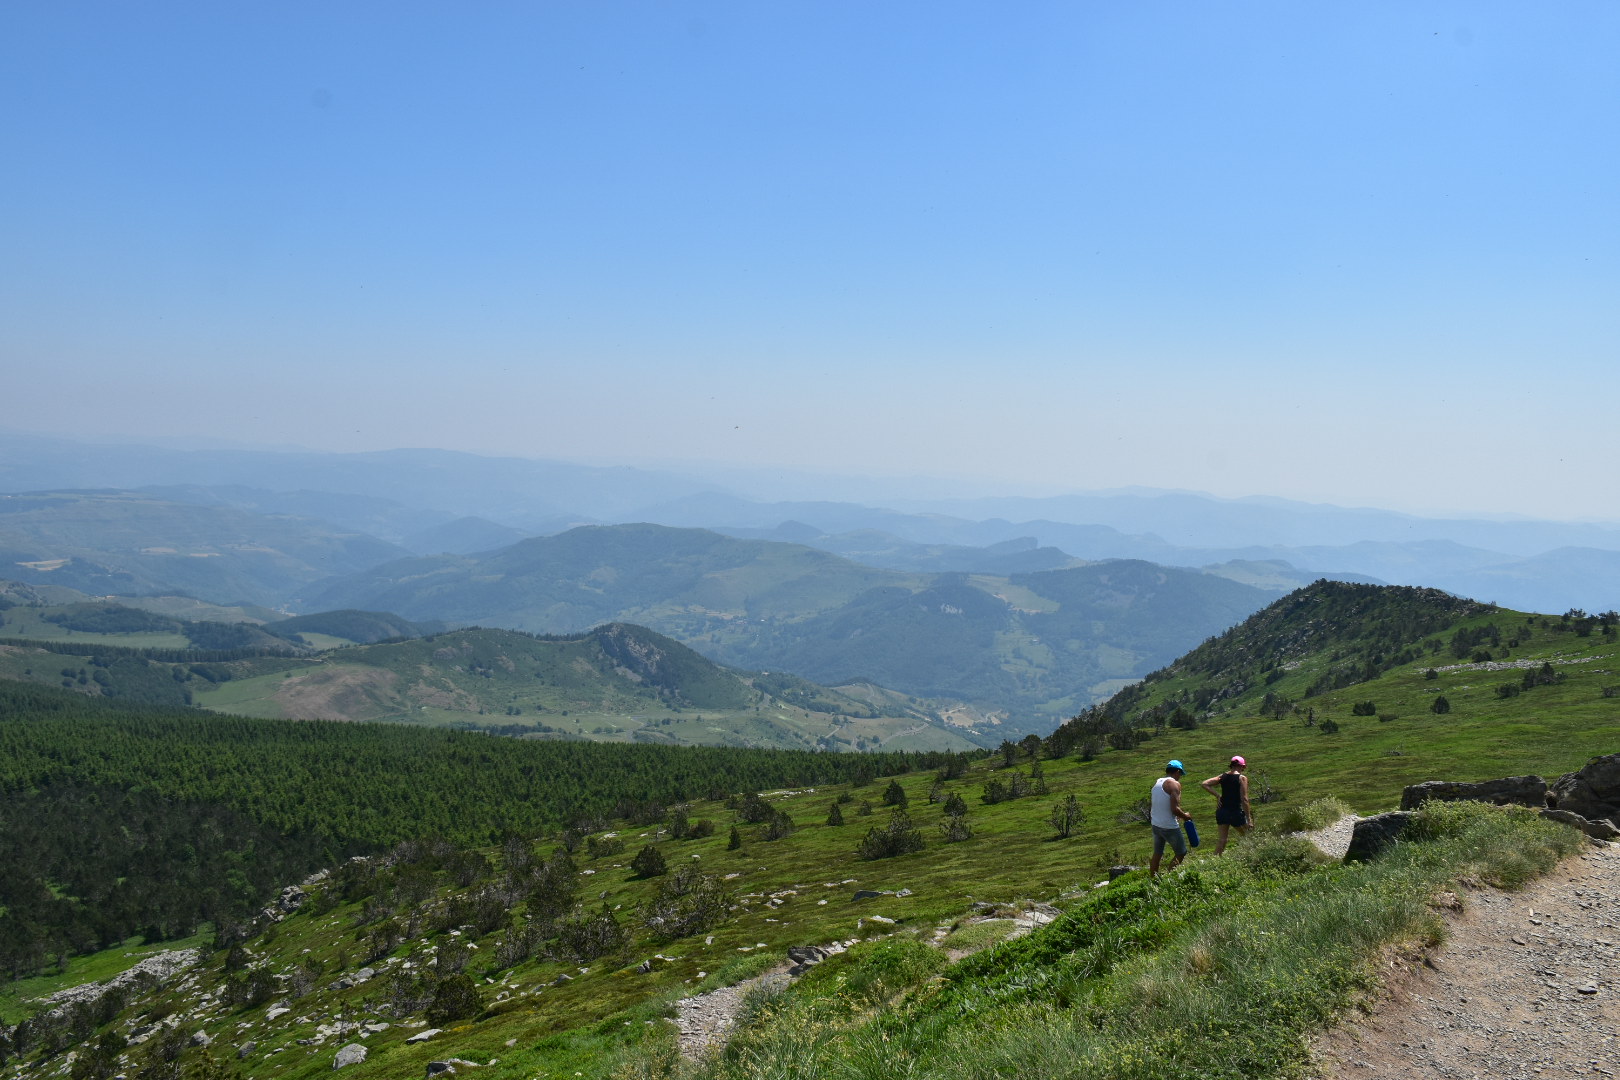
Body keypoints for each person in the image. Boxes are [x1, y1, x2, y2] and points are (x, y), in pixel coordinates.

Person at [1149, 760, 1194, 877]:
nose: (1180, 777)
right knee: (1181, 852)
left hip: (1155, 824)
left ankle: (1153, 879)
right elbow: (1174, 808)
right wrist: (1185, 816)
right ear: (1178, 771)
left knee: (1157, 853)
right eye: (1180, 774)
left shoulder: (1158, 782)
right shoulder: (1174, 784)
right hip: (1168, 826)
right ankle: (1169, 877)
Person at [1200, 755, 1253, 855]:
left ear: (1231, 766)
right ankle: (1249, 857)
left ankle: (1214, 862)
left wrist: (1218, 795)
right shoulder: (1242, 778)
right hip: (1235, 812)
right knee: (1248, 835)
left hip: (1222, 811)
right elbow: (1244, 799)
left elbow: (1205, 783)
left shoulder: (1223, 776)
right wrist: (1249, 818)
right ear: (1242, 766)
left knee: (1222, 840)